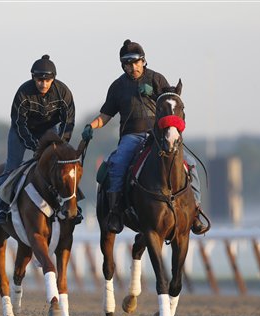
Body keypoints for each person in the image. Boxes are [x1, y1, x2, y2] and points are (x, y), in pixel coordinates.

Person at [81, 39, 209, 235]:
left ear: (143, 61)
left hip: (158, 135)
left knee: (190, 163)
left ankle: (196, 210)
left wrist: (155, 93)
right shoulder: (117, 87)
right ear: (123, 66)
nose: (133, 68)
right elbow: (106, 116)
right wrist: (91, 126)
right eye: (128, 64)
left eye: (136, 63)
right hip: (131, 136)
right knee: (117, 165)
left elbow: (170, 101)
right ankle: (115, 212)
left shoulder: (157, 79)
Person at [0, 54, 78, 225]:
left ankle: (75, 207)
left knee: (66, 166)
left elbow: (68, 122)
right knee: (12, 166)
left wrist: (61, 145)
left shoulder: (63, 93)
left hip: (48, 131)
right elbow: (19, 125)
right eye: (39, 80)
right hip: (22, 132)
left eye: (47, 81)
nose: (43, 84)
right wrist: (35, 147)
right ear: (33, 78)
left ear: (54, 79)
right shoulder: (23, 93)